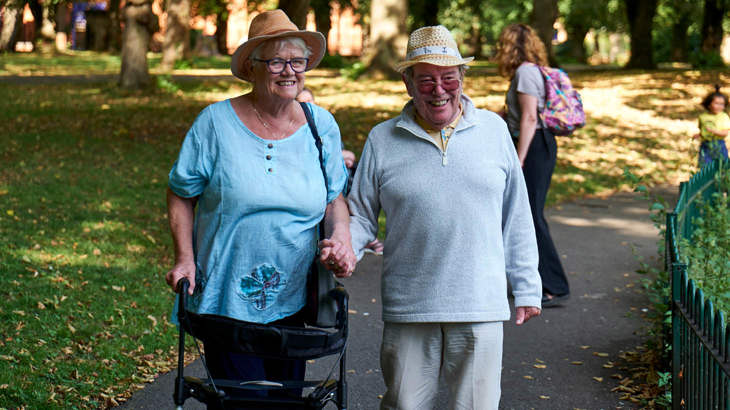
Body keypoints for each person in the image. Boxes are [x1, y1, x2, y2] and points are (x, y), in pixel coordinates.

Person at [164, 9, 356, 406]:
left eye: (298, 61)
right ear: (252, 67)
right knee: (246, 402)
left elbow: (334, 197)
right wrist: (185, 258)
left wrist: (342, 237)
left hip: (296, 303)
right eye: (277, 61)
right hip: (225, 298)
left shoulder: (322, 125)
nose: (290, 70)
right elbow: (181, 191)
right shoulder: (215, 123)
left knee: (285, 402)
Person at [347, 25, 542, 410]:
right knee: (403, 404)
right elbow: (361, 215)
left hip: (479, 302)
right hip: (410, 303)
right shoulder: (383, 139)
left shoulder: (494, 130)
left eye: (448, 78)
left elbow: (516, 213)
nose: (439, 89)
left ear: (461, 79)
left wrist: (527, 285)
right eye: (426, 80)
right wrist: (345, 249)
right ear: (407, 83)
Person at [495, 23, 570, 308]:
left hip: (534, 146)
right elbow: (518, 113)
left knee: (532, 216)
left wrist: (520, 158)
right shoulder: (526, 72)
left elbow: (529, 118)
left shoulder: (525, 72)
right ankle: (539, 281)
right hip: (535, 144)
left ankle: (554, 285)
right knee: (527, 215)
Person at [297, 87, 384, 255]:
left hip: (337, 185)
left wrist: (343, 157)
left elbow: (345, 155)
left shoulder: (323, 126)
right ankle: (362, 237)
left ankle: (358, 236)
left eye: (310, 101)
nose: (307, 106)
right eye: (302, 103)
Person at [693, 85, 729, 167]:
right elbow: (703, 130)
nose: (720, 106)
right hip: (705, 145)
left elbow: (725, 133)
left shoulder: (724, 117)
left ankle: (721, 179)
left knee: (721, 166)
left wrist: (714, 131)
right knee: (705, 166)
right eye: (716, 103)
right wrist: (699, 135)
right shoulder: (703, 117)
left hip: (719, 145)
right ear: (709, 104)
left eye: (722, 104)